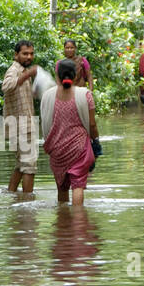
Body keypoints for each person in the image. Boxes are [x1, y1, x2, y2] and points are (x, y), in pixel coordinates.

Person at [41, 58, 100, 206]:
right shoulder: (85, 95)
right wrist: (96, 141)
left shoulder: (47, 96)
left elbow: (45, 123)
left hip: (56, 149)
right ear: (75, 76)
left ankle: (63, 221)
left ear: (57, 76)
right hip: (78, 149)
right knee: (78, 185)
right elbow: (92, 125)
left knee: (62, 187)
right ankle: (78, 222)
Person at [2, 39, 39, 193]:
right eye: (25, 54)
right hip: (21, 126)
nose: (29, 57)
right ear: (16, 55)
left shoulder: (23, 72)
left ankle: (11, 194)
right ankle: (27, 204)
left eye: (31, 54)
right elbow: (6, 86)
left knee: (21, 164)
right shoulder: (15, 70)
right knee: (29, 166)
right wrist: (27, 75)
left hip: (22, 125)